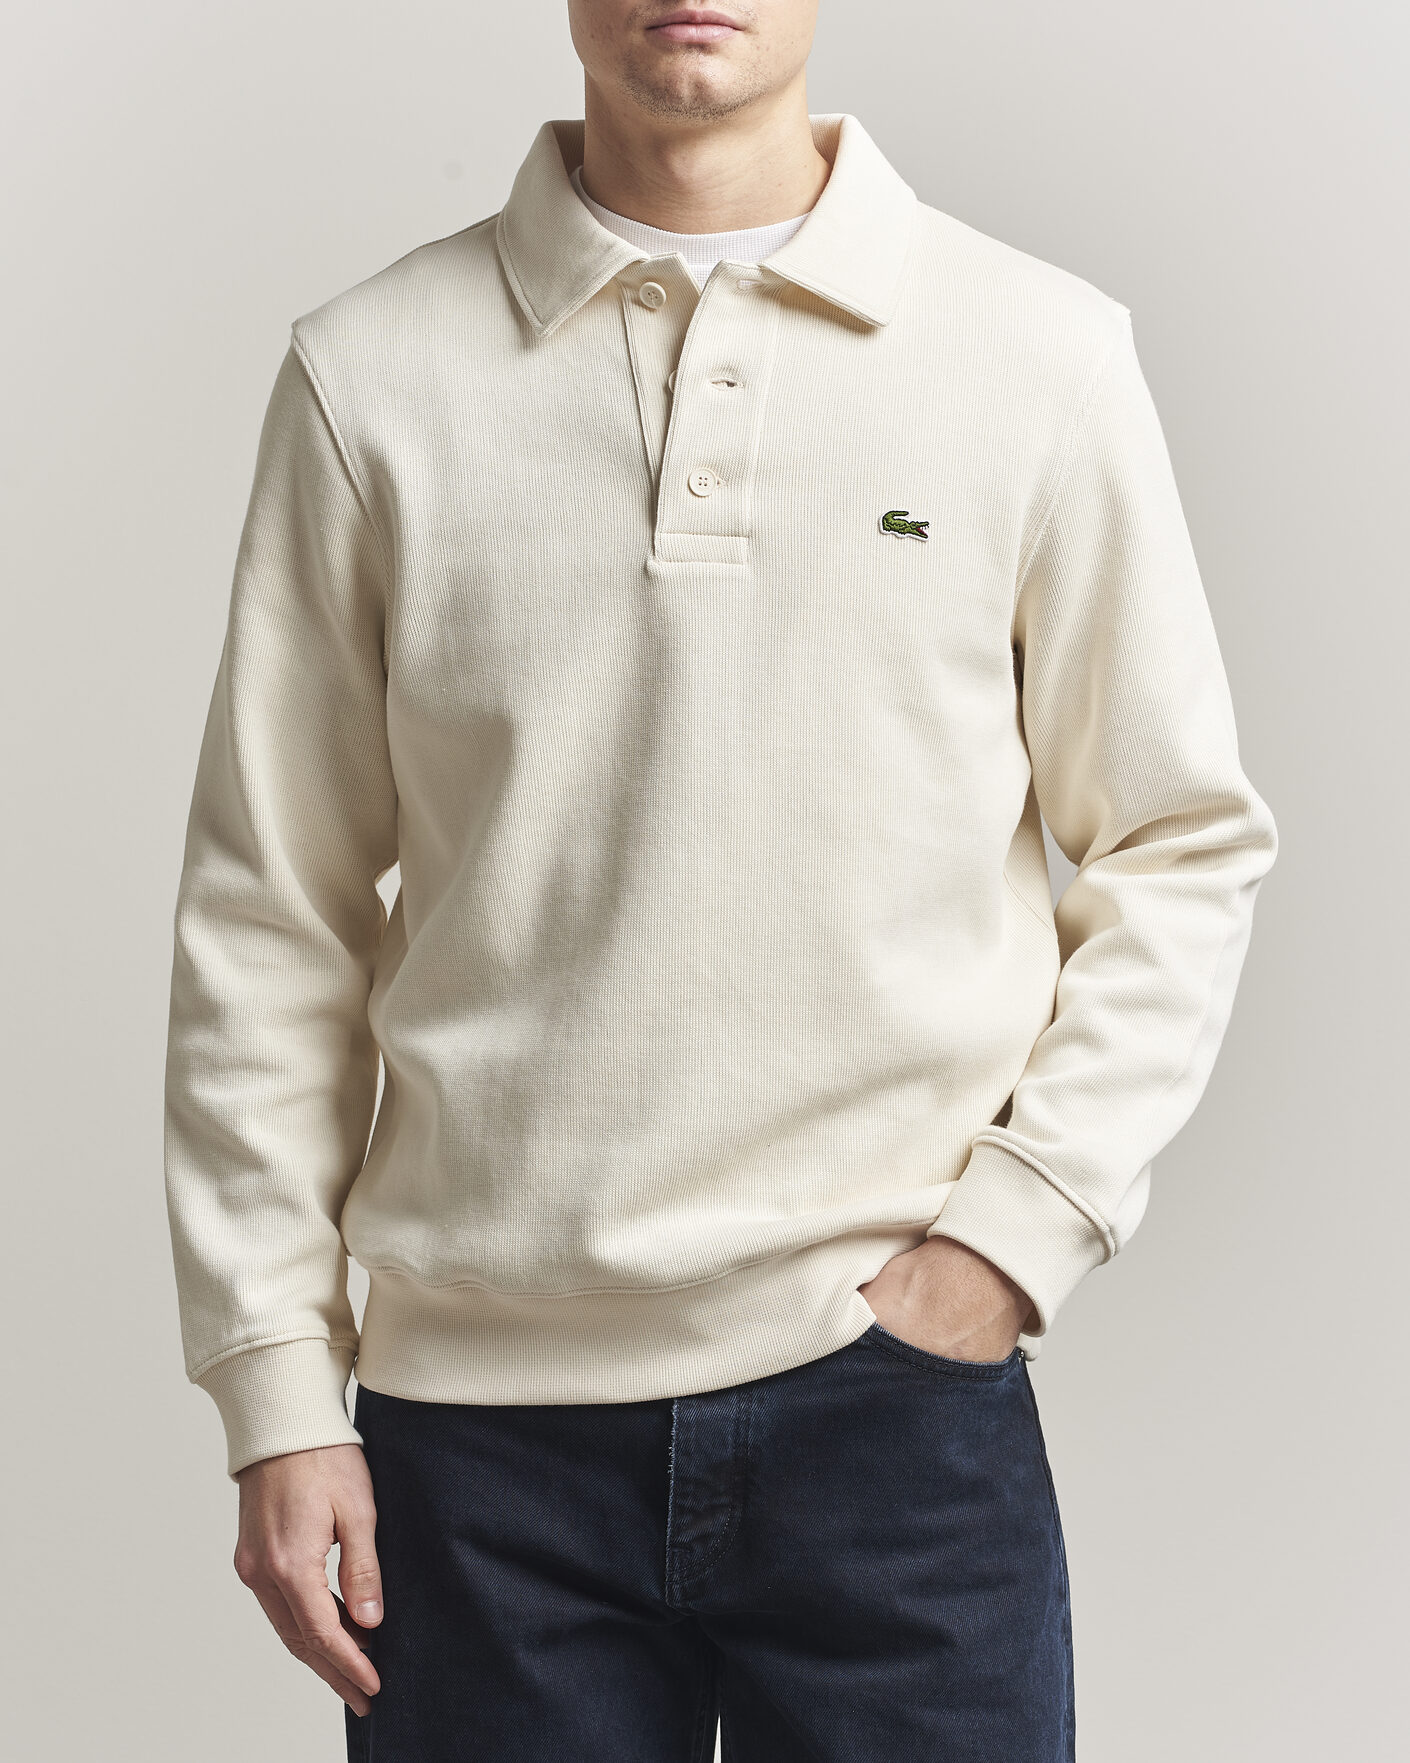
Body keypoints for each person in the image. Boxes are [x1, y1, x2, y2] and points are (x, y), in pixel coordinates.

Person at [162, 3, 1278, 1757]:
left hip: (892, 1407)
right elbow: (269, 913)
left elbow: (1178, 840)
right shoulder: (370, 375)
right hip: (476, 1448)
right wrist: (277, 1389)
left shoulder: (1034, 355)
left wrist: (1008, 1244)